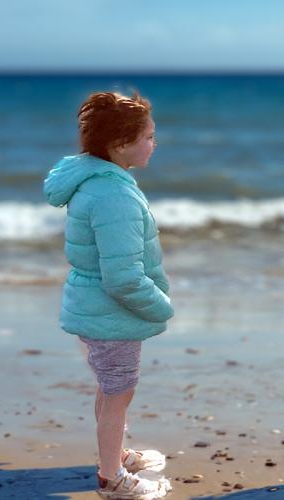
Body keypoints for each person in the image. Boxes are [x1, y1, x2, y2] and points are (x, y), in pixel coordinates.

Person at [43, 91, 173, 500]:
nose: (155, 144)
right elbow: (122, 277)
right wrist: (161, 306)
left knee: (111, 386)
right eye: (148, 137)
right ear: (119, 144)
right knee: (118, 392)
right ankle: (111, 477)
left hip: (97, 306)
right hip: (110, 311)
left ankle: (113, 454)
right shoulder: (113, 195)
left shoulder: (104, 180)